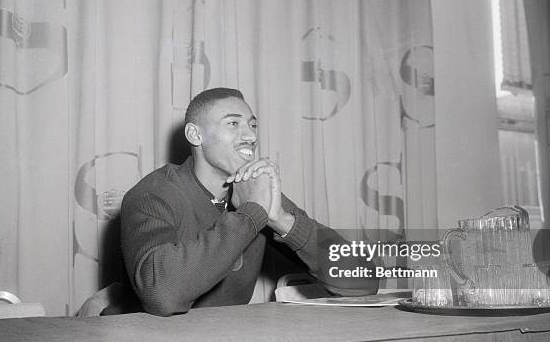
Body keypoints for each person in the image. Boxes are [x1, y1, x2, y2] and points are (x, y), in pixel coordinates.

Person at [120, 88, 377, 316]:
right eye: (233, 123)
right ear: (195, 134)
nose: (251, 136)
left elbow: (363, 282)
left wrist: (282, 220)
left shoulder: (254, 191)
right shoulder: (153, 195)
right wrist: (250, 215)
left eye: (253, 125)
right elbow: (163, 296)